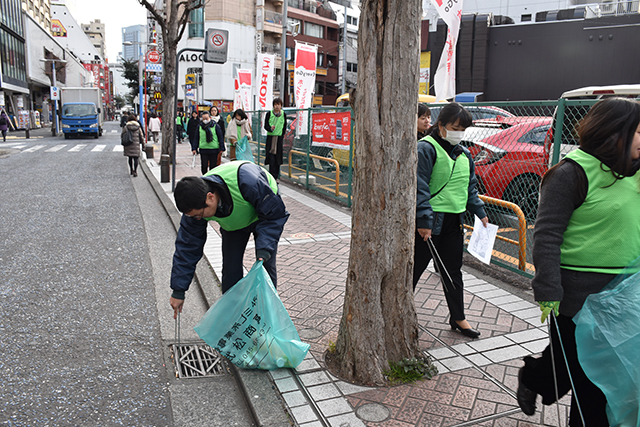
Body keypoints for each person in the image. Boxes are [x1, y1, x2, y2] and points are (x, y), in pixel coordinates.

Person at [516, 98, 640, 425]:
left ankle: (533, 379)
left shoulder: (634, 173)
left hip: (625, 297)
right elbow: (547, 234)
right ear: (615, 134)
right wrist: (547, 288)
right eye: (639, 131)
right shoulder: (571, 173)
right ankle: (533, 380)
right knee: (586, 382)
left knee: (587, 370)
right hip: (577, 299)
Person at [169, 161, 290, 319]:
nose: (198, 219)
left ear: (210, 197)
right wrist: (179, 290)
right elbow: (187, 247)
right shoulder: (195, 204)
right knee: (230, 269)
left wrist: (265, 247)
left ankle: (268, 317)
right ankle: (233, 319)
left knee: (265, 266)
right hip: (234, 223)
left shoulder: (249, 182)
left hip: (264, 215)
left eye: (199, 214)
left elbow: (275, 216)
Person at [413, 102, 488, 339]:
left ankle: (458, 318)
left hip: (454, 222)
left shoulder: (464, 154)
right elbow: (419, 186)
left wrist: (480, 211)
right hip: (429, 223)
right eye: (455, 127)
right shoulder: (425, 148)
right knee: (413, 271)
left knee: (452, 271)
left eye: (462, 129)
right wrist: (423, 220)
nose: (459, 133)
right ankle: (398, 312)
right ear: (441, 125)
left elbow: (469, 187)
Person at [264, 98, 287, 180]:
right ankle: (272, 177)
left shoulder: (283, 114)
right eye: (276, 104)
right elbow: (265, 126)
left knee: (278, 159)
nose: (277, 106)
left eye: (279, 104)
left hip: (279, 139)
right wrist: (270, 128)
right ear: (273, 105)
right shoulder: (269, 114)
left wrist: (282, 135)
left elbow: (284, 126)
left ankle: (276, 177)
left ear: (281, 105)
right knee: (271, 159)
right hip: (271, 138)